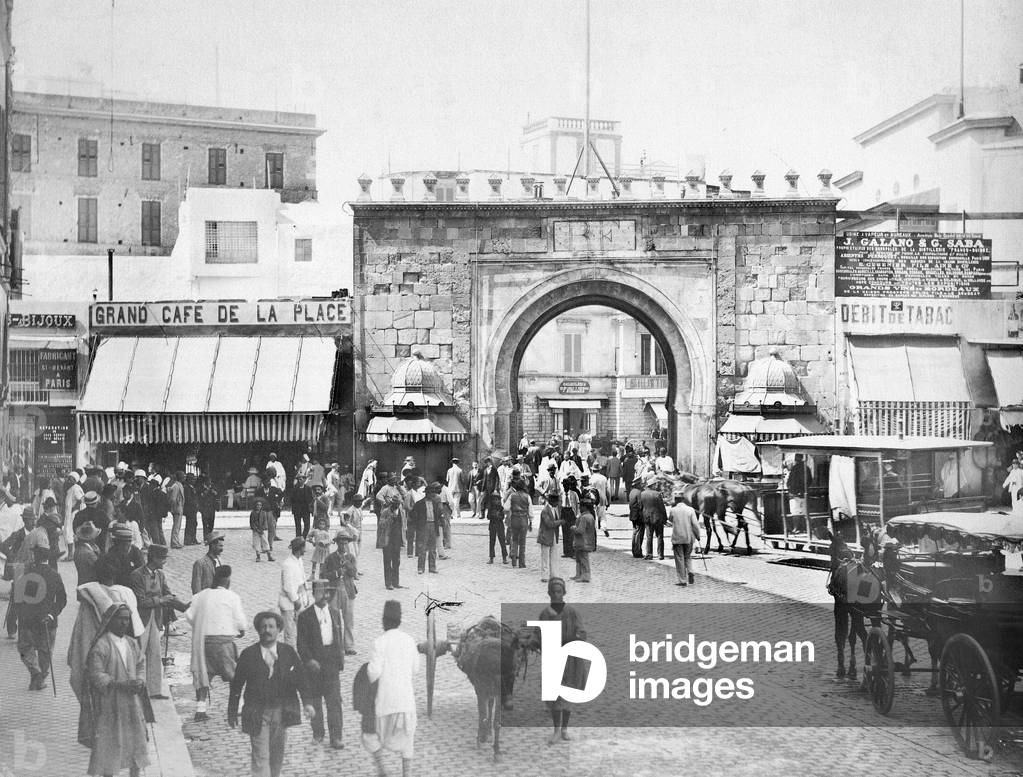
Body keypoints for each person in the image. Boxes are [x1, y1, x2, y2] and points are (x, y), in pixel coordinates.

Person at [228, 611, 305, 777]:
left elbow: (301, 680)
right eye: (263, 627)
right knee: (260, 757)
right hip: (257, 712)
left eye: (271, 626)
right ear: (258, 630)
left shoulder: (287, 652)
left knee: (277, 756)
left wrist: (309, 704)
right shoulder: (248, 655)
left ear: (279, 630)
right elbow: (236, 685)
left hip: (281, 712)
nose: (267, 630)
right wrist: (232, 711)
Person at [84, 604, 153, 777]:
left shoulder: (131, 643)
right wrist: (118, 685)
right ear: (110, 620)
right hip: (110, 706)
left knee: (137, 745)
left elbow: (140, 664)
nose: (124, 622)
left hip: (132, 705)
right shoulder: (101, 645)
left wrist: (140, 680)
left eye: (126, 619)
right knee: (109, 749)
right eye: (120, 618)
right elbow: (96, 674)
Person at [363, 600, 419, 777]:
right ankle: (406, 774)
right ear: (400, 620)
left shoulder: (380, 642)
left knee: (370, 735)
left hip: (385, 703)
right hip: (406, 702)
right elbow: (415, 669)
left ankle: (382, 770)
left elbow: (373, 673)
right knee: (407, 742)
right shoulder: (409, 641)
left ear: (383, 621)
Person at [185, 564, 246, 722]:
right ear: (227, 580)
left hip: (204, 642)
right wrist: (241, 630)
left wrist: (202, 626)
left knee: (204, 674)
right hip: (224, 642)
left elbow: (190, 616)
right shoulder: (232, 596)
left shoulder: (200, 596)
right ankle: (238, 706)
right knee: (235, 675)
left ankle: (201, 709)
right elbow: (241, 622)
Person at [129, 543, 187, 697]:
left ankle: (154, 690)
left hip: (156, 619)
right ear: (154, 558)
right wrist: (160, 601)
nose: (164, 562)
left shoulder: (160, 575)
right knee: (139, 655)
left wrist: (185, 607)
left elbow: (169, 594)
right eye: (162, 558)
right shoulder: (137, 575)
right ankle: (135, 688)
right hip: (141, 620)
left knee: (155, 654)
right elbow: (140, 600)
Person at [297, 579, 346, 748]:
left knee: (334, 702)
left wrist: (339, 659)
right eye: (321, 592)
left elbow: (338, 636)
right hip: (314, 664)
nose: (325, 596)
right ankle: (318, 733)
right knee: (316, 700)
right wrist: (309, 660)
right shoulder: (305, 616)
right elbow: (301, 643)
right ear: (314, 594)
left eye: (328, 593)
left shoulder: (334, 612)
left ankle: (336, 736)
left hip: (331, 663)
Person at [536, 578, 585, 744]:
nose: (556, 595)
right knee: (555, 696)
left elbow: (582, 632)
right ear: (549, 593)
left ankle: (565, 729)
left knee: (568, 695)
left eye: (559, 591)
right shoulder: (544, 614)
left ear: (564, 593)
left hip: (570, 660)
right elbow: (539, 635)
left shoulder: (572, 612)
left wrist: (570, 639)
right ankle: (556, 730)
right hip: (553, 660)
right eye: (553, 592)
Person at [18, 542, 67, 689]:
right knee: (46, 650)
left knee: (25, 647)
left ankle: (35, 673)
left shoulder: (27, 574)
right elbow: (62, 600)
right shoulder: (54, 575)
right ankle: (41, 677)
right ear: (48, 559)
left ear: (35, 557)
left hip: (28, 619)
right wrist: (52, 614)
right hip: (47, 620)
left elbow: (20, 597)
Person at [322, 528, 359, 655]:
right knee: (335, 620)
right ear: (337, 543)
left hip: (348, 591)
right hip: (334, 591)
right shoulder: (330, 558)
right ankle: (337, 646)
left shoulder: (351, 557)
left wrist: (348, 564)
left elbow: (354, 573)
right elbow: (323, 575)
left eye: (345, 543)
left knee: (349, 619)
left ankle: (349, 646)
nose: (343, 545)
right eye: (341, 543)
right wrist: (337, 573)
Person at [279, 537, 309, 647]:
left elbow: (302, 578)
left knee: (301, 630)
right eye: (304, 548)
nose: (305, 550)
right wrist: (296, 601)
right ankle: (290, 655)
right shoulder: (288, 564)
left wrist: (306, 597)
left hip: (300, 598)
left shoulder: (299, 560)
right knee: (290, 632)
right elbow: (288, 586)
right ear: (299, 549)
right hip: (289, 602)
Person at [668, 490, 701, 586]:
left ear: (676, 500)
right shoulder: (690, 510)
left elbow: (670, 521)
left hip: (677, 538)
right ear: (683, 499)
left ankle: (682, 580)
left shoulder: (673, 510)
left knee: (679, 558)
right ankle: (690, 571)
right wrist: (698, 536)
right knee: (688, 556)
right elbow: (695, 524)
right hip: (689, 537)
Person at [410, 482, 442, 574]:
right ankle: (421, 568)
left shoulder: (435, 503)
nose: (433, 495)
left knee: (433, 548)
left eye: (434, 493)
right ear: (427, 493)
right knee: (422, 548)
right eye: (432, 493)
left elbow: (438, 515)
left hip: (433, 525)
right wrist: (418, 526)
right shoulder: (419, 504)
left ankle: (432, 567)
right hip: (423, 527)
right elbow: (412, 515)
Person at [377, 493, 405, 591]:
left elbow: (403, 525)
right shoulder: (385, 511)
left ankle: (396, 582)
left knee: (396, 561)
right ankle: (388, 583)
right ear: (391, 504)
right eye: (395, 504)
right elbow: (381, 524)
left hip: (397, 540)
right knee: (387, 561)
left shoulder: (401, 511)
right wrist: (390, 518)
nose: (396, 506)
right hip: (387, 540)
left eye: (398, 504)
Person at [537, 492, 563, 583]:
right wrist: (560, 522)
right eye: (557, 501)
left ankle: (554, 574)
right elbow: (549, 524)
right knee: (545, 557)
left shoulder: (555, 509)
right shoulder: (545, 510)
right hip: (545, 536)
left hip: (553, 536)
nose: (558, 503)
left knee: (554, 556)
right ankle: (544, 576)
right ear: (552, 501)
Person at [506, 478, 532, 569]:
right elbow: (531, 511)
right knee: (523, 542)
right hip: (524, 519)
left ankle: (513, 562)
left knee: (514, 540)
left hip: (514, 518)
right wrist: (531, 520)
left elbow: (506, 508)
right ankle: (522, 563)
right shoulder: (527, 496)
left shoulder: (512, 496)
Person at [640, 478, 668, 561]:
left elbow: (641, 507)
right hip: (658, 518)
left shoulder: (642, 494)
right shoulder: (658, 494)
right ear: (652, 485)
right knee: (660, 536)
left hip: (647, 518)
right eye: (655, 484)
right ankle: (660, 554)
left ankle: (649, 554)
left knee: (649, 537)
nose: (656, 486)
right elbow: (662, 508)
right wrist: (665, 518)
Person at [572, 493, 597, 583]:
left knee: (583, 559)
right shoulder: (591, 516)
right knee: (580, 558)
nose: (579, 508)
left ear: (585, 507)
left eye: (581, 506)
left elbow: (580, 530)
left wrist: (574, 528)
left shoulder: (584, 517)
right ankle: (579, 574)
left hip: (582, 542)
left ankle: (585, 576)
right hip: (588, 541)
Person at [560, 476, 580, 559]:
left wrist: (578, 514)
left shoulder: (574, 493)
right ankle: (566, 552)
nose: (566, 486)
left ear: (569, 485)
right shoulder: (561, 494)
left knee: (572, 533)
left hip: (571, 512)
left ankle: (573, 552)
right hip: (564, 512)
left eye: (567, 485)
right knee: (565, 533)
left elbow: (578, 504)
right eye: (564, 485)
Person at [486, 490, 508, 565]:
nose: (496, 501)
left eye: (497, 499)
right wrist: (493, 515)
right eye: (494, 499)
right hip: (492, 525)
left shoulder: (501, 508)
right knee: (492, 542)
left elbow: (502, 517)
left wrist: (499, 515)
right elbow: (488, 517)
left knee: (502, 541)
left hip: (499, 526)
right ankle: (491, 558)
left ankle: (504, 557)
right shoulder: (490, 508)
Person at [250, 497, 275, 562]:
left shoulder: (263, 513)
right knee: (256, 543)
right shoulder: (253, 513)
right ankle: (258, 556)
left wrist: (262, 529)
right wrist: (256, 529)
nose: (258, 506)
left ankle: (269, 556)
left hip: (263, 530)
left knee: (265, 542)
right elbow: (252, 523)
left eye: (260, 505)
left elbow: (265, 522)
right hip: (256, 530)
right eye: (257, 505)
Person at [308, 515, 331, 580]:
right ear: (317, 524)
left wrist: (324, 542)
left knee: (322, 563)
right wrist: (311, 541)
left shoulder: (326, 533)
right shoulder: (315, 531)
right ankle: (312, 575)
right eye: (320, 524)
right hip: (317, 549)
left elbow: (329, 541)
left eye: (323, 524)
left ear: (325, 525)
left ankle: (321, 575)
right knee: (314, 562)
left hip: (323, 550)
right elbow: (309, 535)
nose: (321, 525)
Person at [167, 472, 185, 549]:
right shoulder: (176, 486)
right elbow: (173, 498)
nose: (184, 478)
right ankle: (174, 542)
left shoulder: (178, 485)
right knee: (176, 526)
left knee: (178, 526)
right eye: (183, 476)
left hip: (179, 507)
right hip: (177, 508)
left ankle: (176, 541)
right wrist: (174, 508)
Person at [291, 474, 312, 539]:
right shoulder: (294, 489)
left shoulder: (308, 488)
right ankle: (298, 539)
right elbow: (292, 499)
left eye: (301, 479)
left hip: (305, 509)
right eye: (298, 479)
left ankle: (303, 537)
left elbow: (310, 498)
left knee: (307, 525)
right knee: (298, 526)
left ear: (304, 480)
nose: (299, 481)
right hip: (297, 509)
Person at [199, 476, 220, 540]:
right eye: (208, 481)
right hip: (205, 508)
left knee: (211, 522)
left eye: (210, 481)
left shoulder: (213, 488)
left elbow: (217, 496)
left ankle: (210, 536)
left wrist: (215, 493)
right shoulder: (201, 488)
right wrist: (206, 491)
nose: (210, 483)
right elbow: (200, 497)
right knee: (205, 523)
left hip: (212, 508)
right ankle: (205, 537)